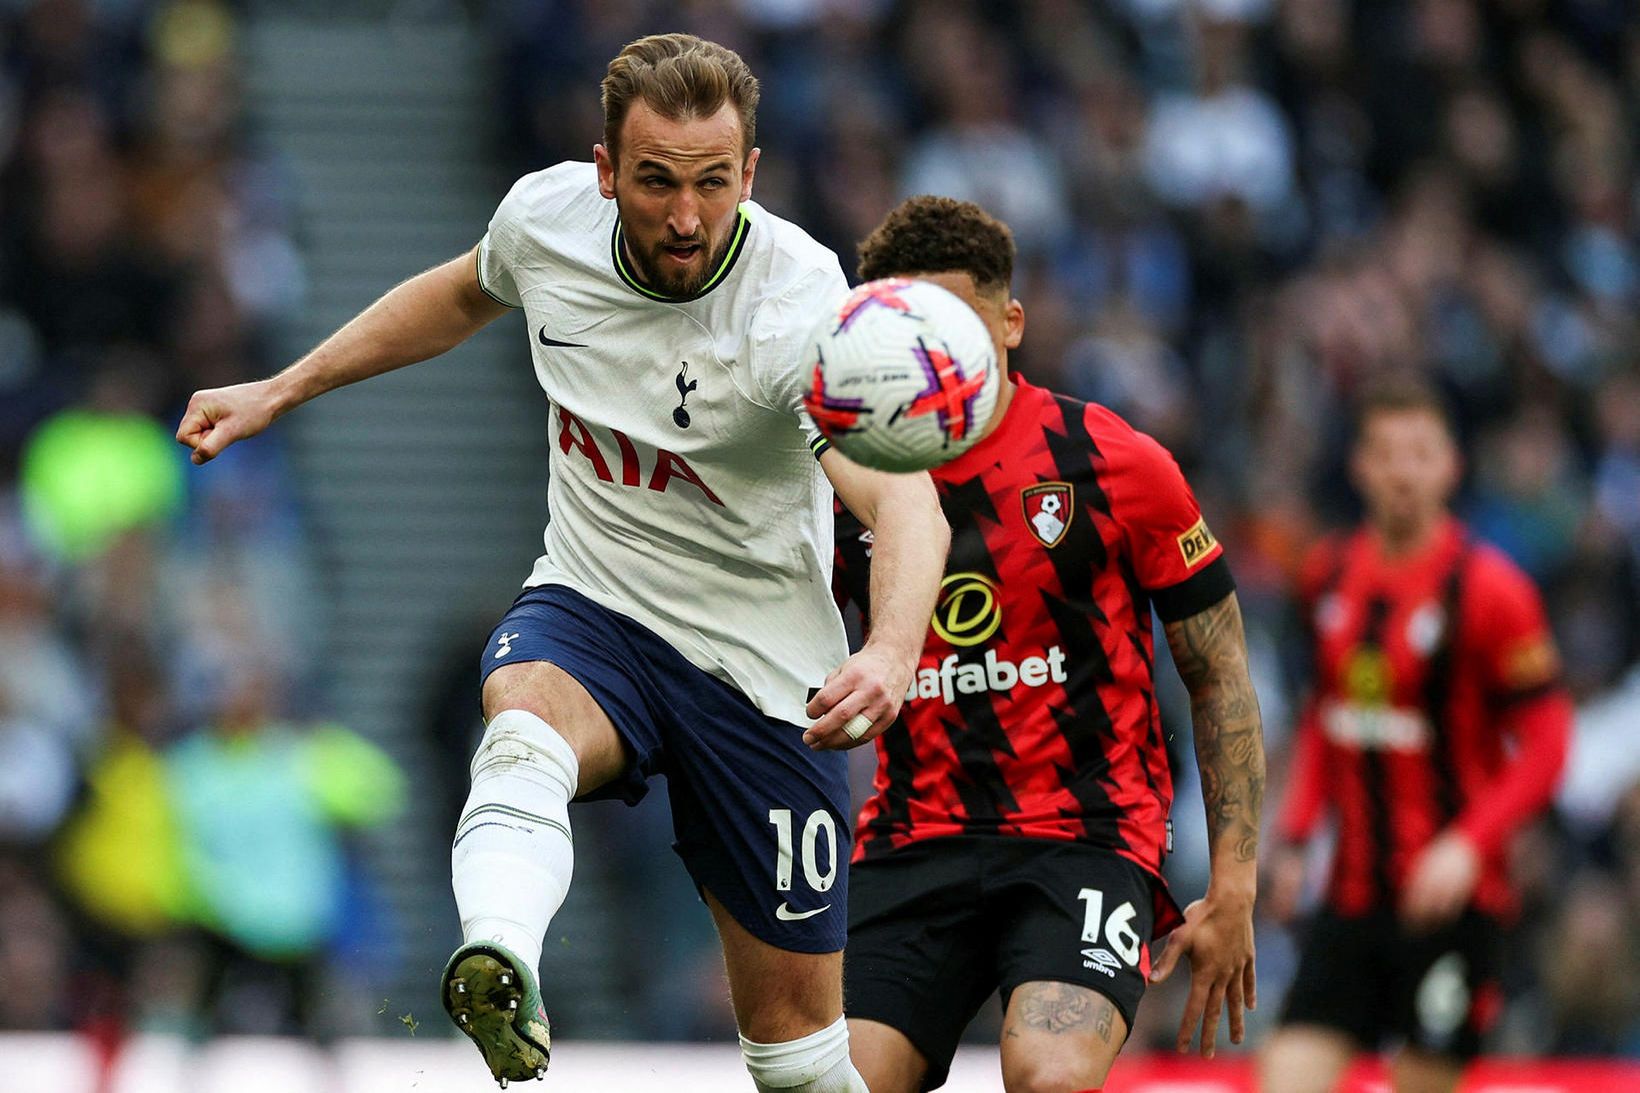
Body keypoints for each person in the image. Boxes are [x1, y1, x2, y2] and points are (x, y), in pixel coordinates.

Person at [174, 34, 948, 1092]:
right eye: (657, 182)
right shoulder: (547, 221)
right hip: (597, 602)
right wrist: (284, 386)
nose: (686, 216)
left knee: (799, 1064)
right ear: (603, 170)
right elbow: (456, 295)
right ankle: (500, 961)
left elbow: (903, 497)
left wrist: (894, 648)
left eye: (713, 183)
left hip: (765, 671)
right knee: (521, 724)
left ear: (751, 175)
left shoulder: (798, 306)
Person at [831, 196, 1265, 1093]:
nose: (935, 356)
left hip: (1085, 838)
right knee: (835, 1083)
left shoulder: (1113, 462)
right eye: (912, 331)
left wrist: (1236, 882)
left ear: (1012, 322)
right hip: (915, 835)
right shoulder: (841, 483)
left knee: (1050, 1072)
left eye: (957, 326)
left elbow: (1217, 669)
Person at [1261, 381, 1573, 1093]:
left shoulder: (1492, 591)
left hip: (1455, 907)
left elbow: (1550, 736)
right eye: (1387, 453)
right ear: (1359, 466)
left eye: (1421, 454)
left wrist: (1470, 842)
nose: (1403, 471)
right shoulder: (1328, 574)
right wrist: (1297, 836)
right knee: (1283, 1080)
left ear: (1451, 466)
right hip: (1351, 898)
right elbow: (1324, 717)